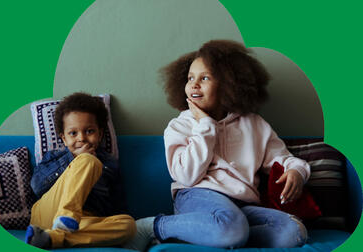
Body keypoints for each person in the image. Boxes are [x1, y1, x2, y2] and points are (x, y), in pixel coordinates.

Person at [128, 40, 310, 250]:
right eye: (190, 78)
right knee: (232, 226)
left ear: (228, 85)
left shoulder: (254, 124)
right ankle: (153, 226)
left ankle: (210, 233)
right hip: (197, 196)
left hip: (243, 206)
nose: (194, 84)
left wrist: (297, 171)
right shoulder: (180, 125)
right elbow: (186, 176)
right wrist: (205, 125)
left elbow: (282, 159)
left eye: (204, 78)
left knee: (295, 232)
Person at [25, 92, 136, 249]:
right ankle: (66, 215)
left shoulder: (110, 164)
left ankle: (52, 238)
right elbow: (37, 187)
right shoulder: (55, 157)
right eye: (73, 133)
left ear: (100, 134)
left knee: (129, 225)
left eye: (89, 131)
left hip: (83, 222)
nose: (81, 138)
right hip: (47, 213)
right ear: (63, 138)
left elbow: (117, 207)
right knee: (88, 160)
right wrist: (73, 159)